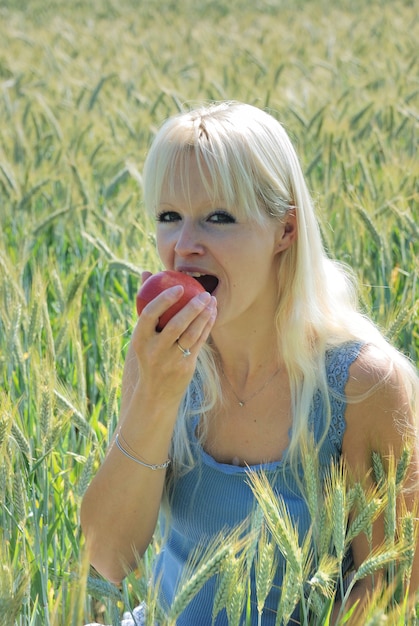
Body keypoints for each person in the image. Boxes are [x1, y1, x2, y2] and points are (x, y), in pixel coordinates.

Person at [80, 101, 419, 625]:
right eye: (169, 217)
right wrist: (157, 395)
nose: (184, 246)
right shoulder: (159, 354)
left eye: (218, 218)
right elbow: (108, 557)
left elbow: (388, 592)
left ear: (285, 230)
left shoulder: (363, 385)